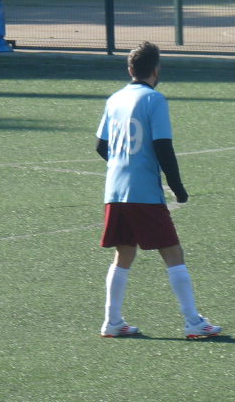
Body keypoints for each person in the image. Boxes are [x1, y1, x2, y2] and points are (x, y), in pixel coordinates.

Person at [94, 41, 222, 339]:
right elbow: (163, 147)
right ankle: (193, 321)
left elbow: (101, 146)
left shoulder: (115, 99)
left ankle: (112, 321)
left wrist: (122, 164)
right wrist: (177, 187)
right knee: (172, 251)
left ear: (130, 69)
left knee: (124, 252)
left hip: (115, 189)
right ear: (156, 69)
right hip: (143, 191)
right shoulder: (154, 99)